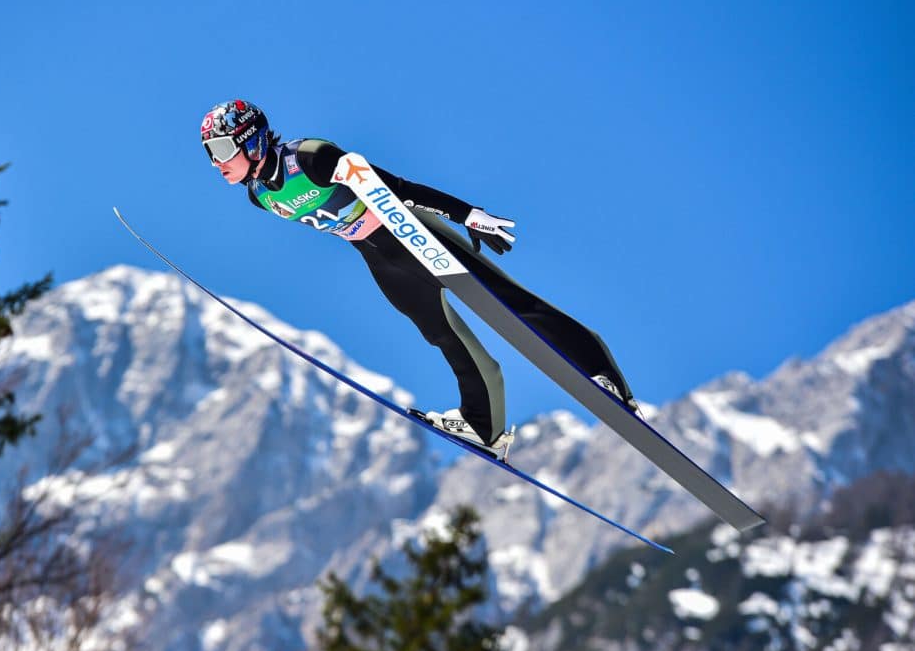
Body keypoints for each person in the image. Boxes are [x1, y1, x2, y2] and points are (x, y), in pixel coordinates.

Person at [200, 99, 638, 459]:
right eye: (210, 154)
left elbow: (397, 186)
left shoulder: (311, 157)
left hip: (410, 231)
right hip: (378, 257)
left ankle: (601, 373)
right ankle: (484, 426)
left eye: (221, 150)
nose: (217, 163)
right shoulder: (259, 196)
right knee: (442, 336)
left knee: (509, 304)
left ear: (251, 139)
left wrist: (468, 215)